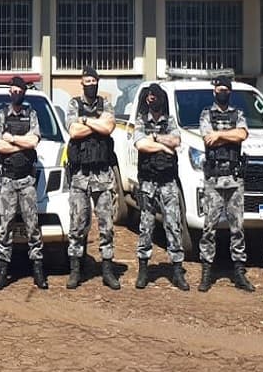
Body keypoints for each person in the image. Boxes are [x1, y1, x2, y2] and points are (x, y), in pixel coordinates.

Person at [198, 75, 254, 293]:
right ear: (214, 91)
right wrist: (229, 136)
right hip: (213, 179)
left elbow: (242, 135)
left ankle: (239, 272)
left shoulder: (238, 113)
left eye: (226, 89)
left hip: (234, 179)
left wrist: (220, 135)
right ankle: (206, 273)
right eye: (220, 88)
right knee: (209, 228)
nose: (223, 92)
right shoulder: (206, 114)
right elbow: (207, 138)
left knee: (237, 229)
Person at [65, 67, 119, 290]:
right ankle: (76, 270)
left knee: (106, 225)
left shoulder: (106, 104)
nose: (90, 84)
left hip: (103, 175)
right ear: (81, 82)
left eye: (94, 80)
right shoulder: (73, 104)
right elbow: (73, 131)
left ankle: (107, 270)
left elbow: (108, 128)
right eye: (87, 80)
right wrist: (93, 124)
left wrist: (85, 122)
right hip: (79, 176)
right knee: (78, 224)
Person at [0, 76, 46, 291]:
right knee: (5, 228)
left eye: (19, 89)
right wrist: (21, 145)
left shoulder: (31, 113)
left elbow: (34, 141)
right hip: (8, 180)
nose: (16, 92)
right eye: (13, 89)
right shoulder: (1, 115)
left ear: (24, 92)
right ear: (10, 92)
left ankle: (38, 272)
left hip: (27, 181)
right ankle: (3, 272)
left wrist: (12, 139)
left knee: (33, 227)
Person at [132, 84, 188, 290]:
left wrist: (155, 138)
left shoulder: (170, 120)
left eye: (155, 96)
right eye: (149, 96)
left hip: (168, 182)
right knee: (146, 226)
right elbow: (141, 144)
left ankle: (177, 270)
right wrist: (163, 145)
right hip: (148, 181)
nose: (151, 99)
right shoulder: (141, 120)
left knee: (173, 226)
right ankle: (143, 270)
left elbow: (177, 140)